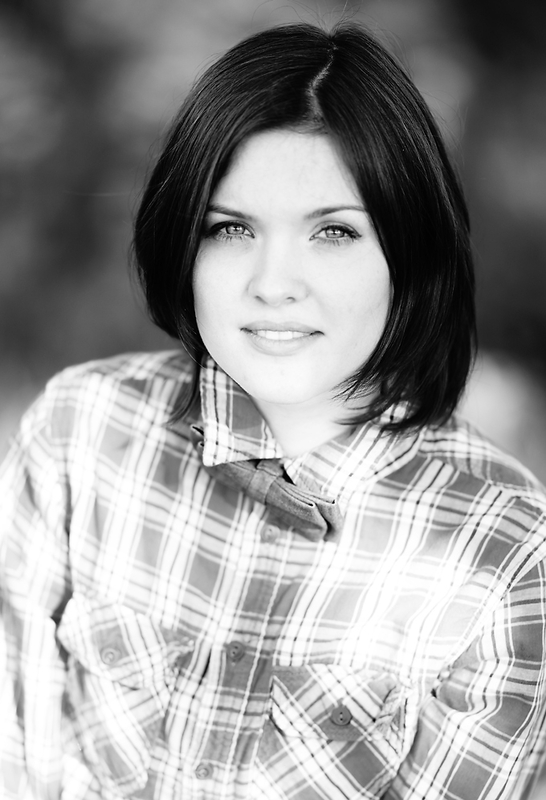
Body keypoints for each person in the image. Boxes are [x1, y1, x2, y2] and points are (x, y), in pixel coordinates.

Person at [1, 19, 546, 800]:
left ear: (411, 253)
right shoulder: (80, 434)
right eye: (230, 228)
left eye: (334, 231)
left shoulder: (505, 555)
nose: (273, 283)